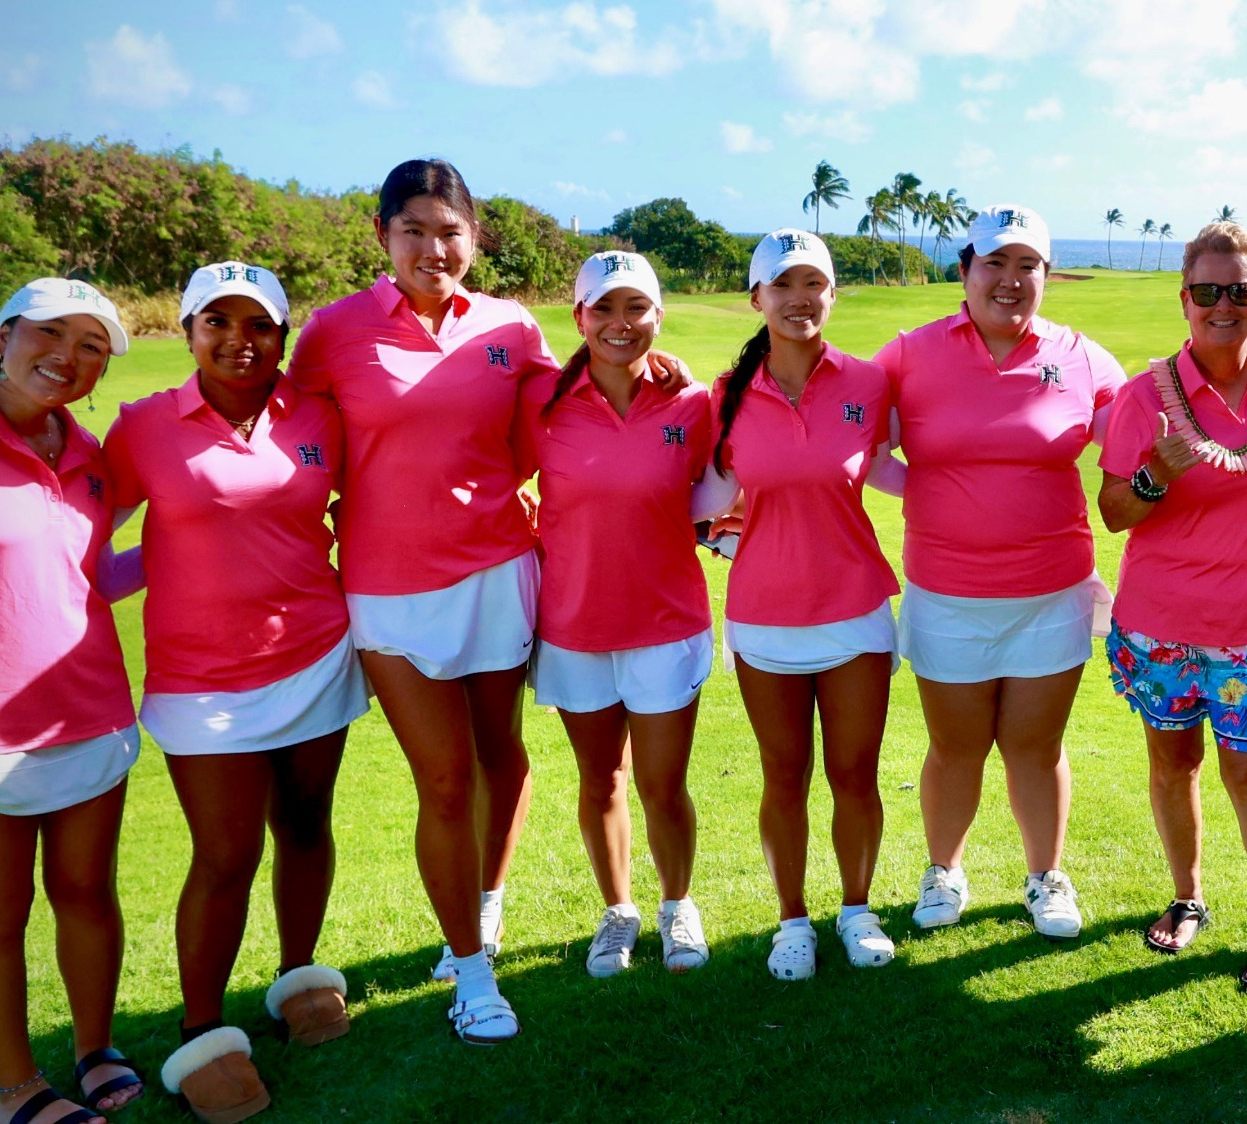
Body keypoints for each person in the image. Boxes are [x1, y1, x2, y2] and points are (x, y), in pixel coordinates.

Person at [287, 159, 554, 1045]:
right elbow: (288, 441)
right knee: (442, 780)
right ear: (382, 237)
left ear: (474, 239)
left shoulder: (511, 329)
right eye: (415, 230)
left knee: (500, 757)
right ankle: (473, 976)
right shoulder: (333, 334)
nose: (434, 248)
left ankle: (484, 905)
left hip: (497, 571)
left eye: (451, 232)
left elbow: (567, 415)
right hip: (390, 588)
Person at [102, 262, 368, 1121]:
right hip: (201, 680)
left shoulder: (319, 416)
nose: (238, 340)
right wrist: (166, 556)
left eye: (258, 325)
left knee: (303, 822)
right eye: (216, 321)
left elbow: (357, 511)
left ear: (283, 338)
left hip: (316, 653)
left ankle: (299, 979)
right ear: (186, 332)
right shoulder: (143, 427)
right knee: (224, 855)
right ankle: (203, 1026)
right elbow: (84, 542)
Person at [0, 279, 146, 1123]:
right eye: (51, 333)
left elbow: (84, 579)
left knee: (88, 893)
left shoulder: (88, 456)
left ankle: (94, 1047)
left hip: (90, 711)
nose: (69, 357)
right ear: (4, 334)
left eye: (91, 346)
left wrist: (176, 544)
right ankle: (18, 1093)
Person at [875, 204, 1126, 940]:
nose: (1010, 281)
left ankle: (1045, 875)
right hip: (947, 592)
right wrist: (926, 492)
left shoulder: (1082, 357)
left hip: (1052, 591)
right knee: (956, 747)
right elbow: (858, 441)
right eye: (995, 263)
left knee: (1035, 747)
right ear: (965, 272)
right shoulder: (910, 354)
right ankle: (943, 869)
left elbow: (1139, 435)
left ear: (1047, 276)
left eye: (1028, 266)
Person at [1095, 222, 1247, 986]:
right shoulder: (1143, 395)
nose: (1223, 305)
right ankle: (1187, 897)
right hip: (1161, 627)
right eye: (1207, 292)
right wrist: (1156, 474)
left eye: (1241, 291)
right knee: (1173, 763)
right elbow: (1115, 511)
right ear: (1184, 300)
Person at [714, 230, 900, 980]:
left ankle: (857, 910)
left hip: (854, 608)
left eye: (814, 284)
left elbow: (902, 469)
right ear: (757, 299)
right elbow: (695, 493)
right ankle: (792, 920)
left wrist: (992, 503)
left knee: (856, 774)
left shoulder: (868, 382)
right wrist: (718, 540)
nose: (800, 299)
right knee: (783, 774)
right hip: (762, 614)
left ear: (832, 294)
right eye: (783, 286)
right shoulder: (721, 396)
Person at [530, 250, 719, 979]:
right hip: (575, 626)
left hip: (667, 624)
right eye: (603, 309)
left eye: (635, 308)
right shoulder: (541, 403)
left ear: (657, 316)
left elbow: (732, 479)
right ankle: (618, 910)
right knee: (600, 779)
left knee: (663, 784)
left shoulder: (691, 403)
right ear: (578, 318)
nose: (620, 324)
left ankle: (678, 907)